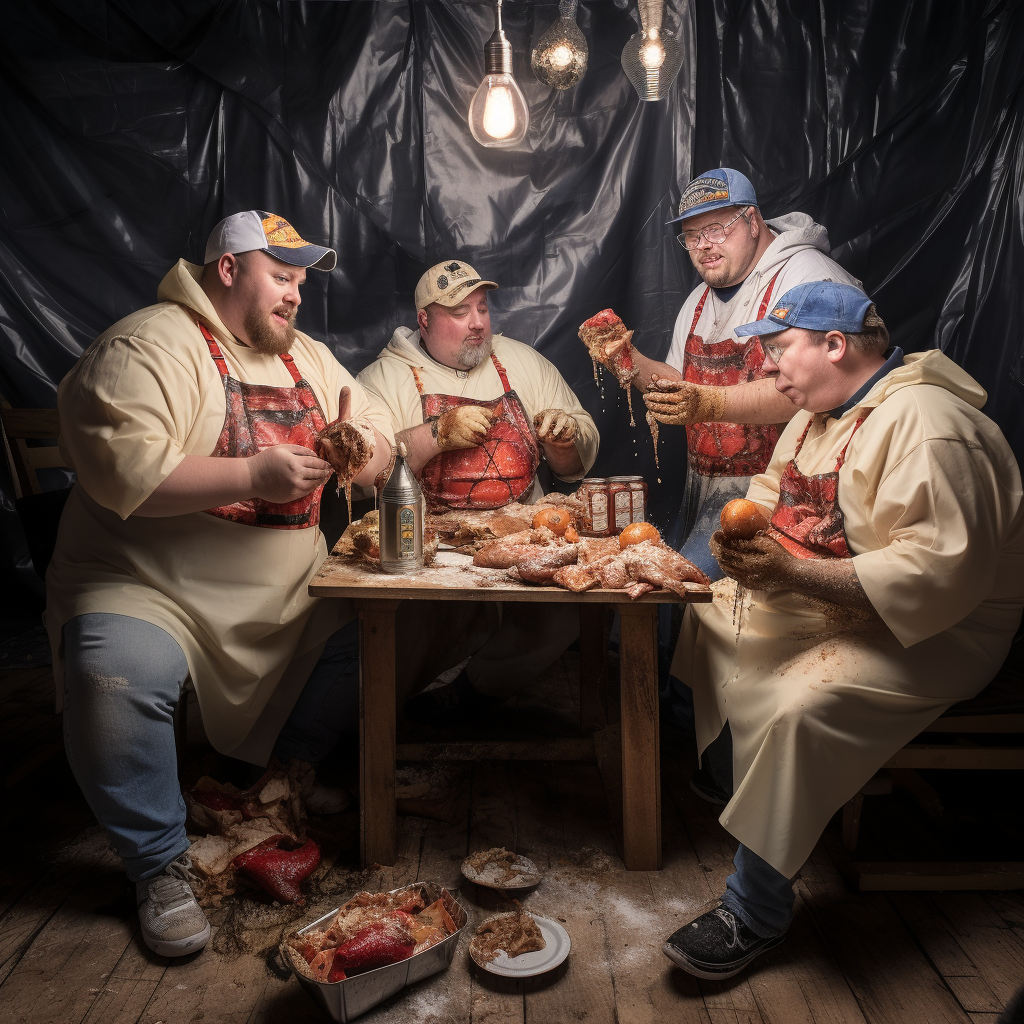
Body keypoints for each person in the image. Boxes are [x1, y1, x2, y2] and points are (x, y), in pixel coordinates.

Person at [44, 211, 394, 958]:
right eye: (281, 276)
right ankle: (157, 862)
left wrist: (367, 450)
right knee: (112, 673)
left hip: (285, 592)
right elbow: (120, 470)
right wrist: (250, 475)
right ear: (228, 270)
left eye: (302, 281)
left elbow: (377, 431)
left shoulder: (309, 358)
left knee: (376, 635)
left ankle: (280, 777)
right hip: (150, 584)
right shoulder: (147, 345)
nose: (297, 296)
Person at [661, 281, 1024, 980]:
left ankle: (756, 910)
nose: (767, 369)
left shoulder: (928, 423)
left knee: (805, 703)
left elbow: (937, 578)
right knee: (708, 606)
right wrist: (746, 549)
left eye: (778, 350)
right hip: (838, 594)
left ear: (835, 345)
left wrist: (791, 576)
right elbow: (767, 498)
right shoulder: (816, 410)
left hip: (941, 630)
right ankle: (737, 782)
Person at [357, 259, 599, 715]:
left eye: (482, 308)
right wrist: (434, 434)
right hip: (428, 545)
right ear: (424, 320)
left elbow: (575, 465)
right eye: (459, 312)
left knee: (570, 608)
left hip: (523, 535)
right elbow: (363, 473)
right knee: (403, 633)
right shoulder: (383, 379)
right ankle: (394, 720)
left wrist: (566, 437)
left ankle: (472, 696)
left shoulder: (521, 361)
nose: (477, 323)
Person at [593, 167, 859, 579]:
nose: (703, 246)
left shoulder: (805, 277)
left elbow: (817, 385)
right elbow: (676, 379)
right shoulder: (699, 299)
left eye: (716, 229)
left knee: (689, 592)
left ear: (752, 221)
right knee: (672, 596)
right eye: (692, 236)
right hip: (707, 491)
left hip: (784, 495)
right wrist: (626, 360)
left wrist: (710, 402)